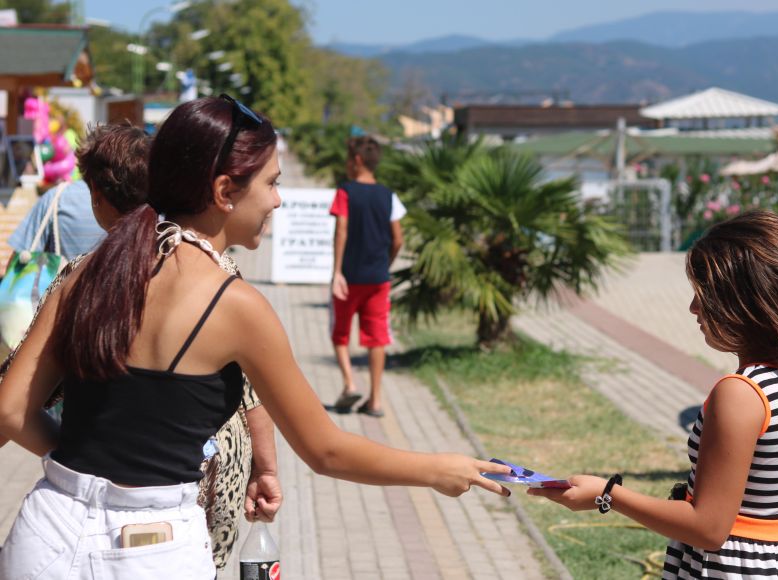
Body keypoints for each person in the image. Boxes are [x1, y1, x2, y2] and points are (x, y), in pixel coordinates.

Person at [0, 96, 509, 579]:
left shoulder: (86, 272)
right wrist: (437, 470)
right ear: (225, 192)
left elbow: (10, 410)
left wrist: (83, 475)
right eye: (271, 183)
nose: (278, 200)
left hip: (45, 532)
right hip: (148, 550)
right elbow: (325, 451)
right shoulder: (236, 304)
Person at [0, 122, 283, 569]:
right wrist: (265, 468)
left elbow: (11, 405)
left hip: (109, 500)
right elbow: (251, 389)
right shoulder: (219, 273)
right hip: (210, 479)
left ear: (98, 196)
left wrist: (79, 464)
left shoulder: (84, 274)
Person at [530, 210, 778, 579]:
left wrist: (607, 494)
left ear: (746, 302)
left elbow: (708, 527)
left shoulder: (741, 394)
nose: (693, 308)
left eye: (705, 295)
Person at [328, 135, 405, 418]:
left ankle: (350, 384)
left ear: (357, 161)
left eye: (348, 160)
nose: (346, 165)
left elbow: (341, 230)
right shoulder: (389, 195)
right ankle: (375, 401)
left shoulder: (345, 191)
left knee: (340, 333)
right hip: (378, 279)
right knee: (377, 338)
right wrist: (386, 264)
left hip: (349, 278)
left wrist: (337, 272)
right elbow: (398, 239)